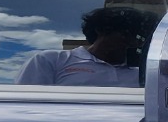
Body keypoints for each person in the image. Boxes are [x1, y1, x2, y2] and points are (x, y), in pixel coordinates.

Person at [16, 7, 156, 87]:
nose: (133, 42)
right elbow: (26, 107)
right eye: (126, 34)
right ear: (101, 30)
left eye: (138, 38)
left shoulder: (146, 74)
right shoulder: (50, 61)